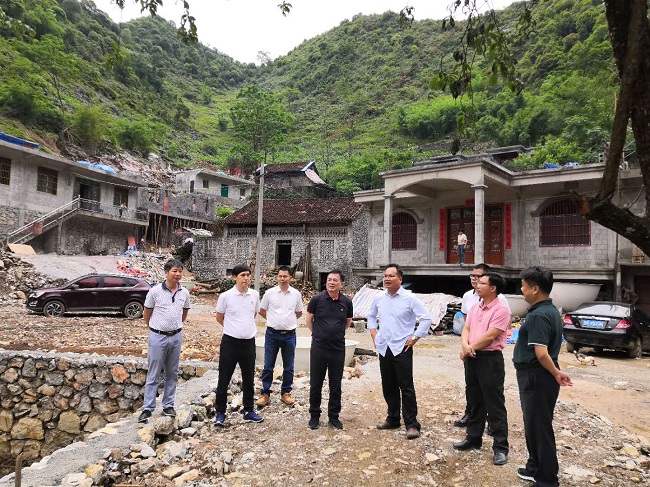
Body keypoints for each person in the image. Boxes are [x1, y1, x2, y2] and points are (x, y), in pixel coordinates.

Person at [514, 266, 573, 486]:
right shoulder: (550, 310)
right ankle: (534, 467)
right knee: (534, 425)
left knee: (539, 428)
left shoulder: (539, 315)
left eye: (523, 286)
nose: (521, 290)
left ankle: (547, 479)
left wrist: (556, 373)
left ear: (535, 288)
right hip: (538, 375)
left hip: (537, 376)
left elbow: (541, 353)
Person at [367, 264, 432, 440]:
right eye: (385, 276)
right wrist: (373, 333)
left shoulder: (410, 298)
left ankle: (412, 424)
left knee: (406, 386)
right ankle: (393, 418)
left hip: (402, 347)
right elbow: (371, 316)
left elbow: (426, 318)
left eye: (391, 276)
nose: (387, 279)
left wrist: (415, 337)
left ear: (400, 279)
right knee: (388, 385)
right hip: (384, 346)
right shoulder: (379, 298)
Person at [453, 272, 510, 466]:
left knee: (494, 403)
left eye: (482, 283)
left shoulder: (501, 309)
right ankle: (473, 438)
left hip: (490, 359)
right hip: (472, 356)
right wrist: (465, 346)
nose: (477, 285)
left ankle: (500, 447)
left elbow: (491, 336)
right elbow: (466, 328)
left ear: (493, 288)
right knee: (474, 399)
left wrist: (470, 348)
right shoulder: (476, 306)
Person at [139, 259, 191, 423]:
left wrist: (175, 326)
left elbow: (184, 313)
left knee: (172, 372)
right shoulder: (154, 291)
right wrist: (154, 327)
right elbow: (147, 312)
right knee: (154, 372)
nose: (178, 274)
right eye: (174, 271)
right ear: (166, 272)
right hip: (157, 336)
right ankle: (148, 408)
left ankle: (168, 405)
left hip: (176, 336)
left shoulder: (184, 293)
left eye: (180, 271)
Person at [213, 263, 264, 427]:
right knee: (224, 377)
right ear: (234, 277)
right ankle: (220, 412)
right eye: (242, 275)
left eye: (248, 275)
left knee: (248, 377)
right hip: (230, 342)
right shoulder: (226, 296)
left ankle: (249, 410)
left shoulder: (254, 295)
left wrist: (243, 329)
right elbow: (219, 317)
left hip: (248, 342)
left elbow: (253, 314)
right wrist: (233, 328)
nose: (246, 278)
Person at [306, 270, 353, 430]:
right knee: (315, 384)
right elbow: (309, 320)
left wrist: (335, 333)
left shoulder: (347, 302)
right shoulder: (316, 299)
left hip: (337, 349)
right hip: (319, 348)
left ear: (341, 284)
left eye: (335, 280)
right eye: (329, 280)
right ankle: (314, 415)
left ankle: (334, 416)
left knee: (335, 384)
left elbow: (347, 323)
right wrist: (318, 334)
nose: (331, 282)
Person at [256, 265, 304, 407]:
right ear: (277, 277)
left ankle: (286, 393)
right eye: (280, 276)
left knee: (289, 366)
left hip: (289, 335)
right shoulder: (269, 293)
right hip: (272, 334)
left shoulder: (296, 294)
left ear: (290, 278)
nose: (282, 279)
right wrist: (273, 320)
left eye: (285, 276)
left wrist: (286, 321)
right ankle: (265, 394)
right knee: (268, 365)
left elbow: (299, 312)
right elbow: (262, 310)